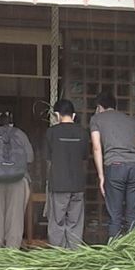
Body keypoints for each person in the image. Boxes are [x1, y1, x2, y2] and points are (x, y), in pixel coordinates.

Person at [90, 91, 135, 240]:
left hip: (115, 165)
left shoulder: (97, 119)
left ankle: (115, 253)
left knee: (115, 214)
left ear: (99, 107)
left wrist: (101, 176)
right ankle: (134, 249)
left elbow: (96, 147)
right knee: (133, 213)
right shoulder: (131, 120)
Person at [0, 111, 33, 248]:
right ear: (11, 122)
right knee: (15, 217)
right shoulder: (20, 134)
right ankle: (12, 251)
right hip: (18, 180)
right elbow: (30, 158)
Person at [45, 99, 89, 248]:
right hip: (78, 183)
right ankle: (74, 254)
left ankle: (59, 254)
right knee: (75, 222)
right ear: (74, 115)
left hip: (58, 183)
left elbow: (48, 157)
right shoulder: (83, 132)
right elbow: (84, 156)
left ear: (57, 115)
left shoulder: (51, 132)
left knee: (57, 221)